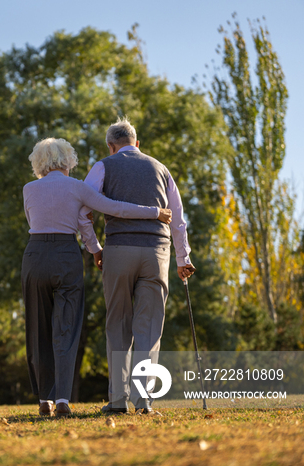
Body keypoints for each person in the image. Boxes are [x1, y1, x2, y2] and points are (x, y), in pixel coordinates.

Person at [22, 137, 172, 417]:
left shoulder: (28, 189)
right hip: (67, 255)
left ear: (39, 164)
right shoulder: (78, 188)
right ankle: (64, 400)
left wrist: (94, 248)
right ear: (68, 161)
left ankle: (45, 399)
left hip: (34, 256)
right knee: (66, 328)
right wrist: (154, 213)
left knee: (38, 327)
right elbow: (116, 208)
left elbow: (34, 222)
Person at [81, 117, 196, 416]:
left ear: (111, 145)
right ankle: (144, 401)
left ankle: (118, 400)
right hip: (157, 253)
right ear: (137, 143)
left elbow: (83, 211)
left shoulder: (103, 166)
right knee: (149, 328)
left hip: (117, 250)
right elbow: (179, 219)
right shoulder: (161, 168)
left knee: (118, 323)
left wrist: (94, 248)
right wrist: (183, 259)